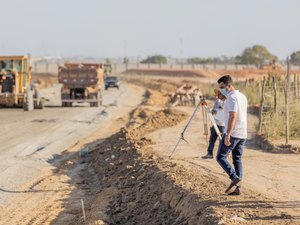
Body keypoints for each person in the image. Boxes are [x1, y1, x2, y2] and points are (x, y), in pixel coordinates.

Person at [216, 75, 248, 195]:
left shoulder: (232, 98)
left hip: (233, 133)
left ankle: (234, 177)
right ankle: (237, 188)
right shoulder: (242, 96)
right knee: (237, 159)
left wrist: (228, 133)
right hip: (242, 133)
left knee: (220, 156)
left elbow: (233, 116)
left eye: (222, 87)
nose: (221, 90)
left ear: (229, 85)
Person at [202, 89, 226, 159]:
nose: (217, 95)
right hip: (214, 123)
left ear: (223, 95)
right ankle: (209, 153)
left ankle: (222, 156)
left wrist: (217, 112)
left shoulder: (227, 102)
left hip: (222, 125)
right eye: (217, 94)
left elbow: (224, 113)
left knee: (222, 141)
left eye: (219, 94)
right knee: (212, 139)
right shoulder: (217, 101)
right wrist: (212, 112)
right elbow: (214, 110)